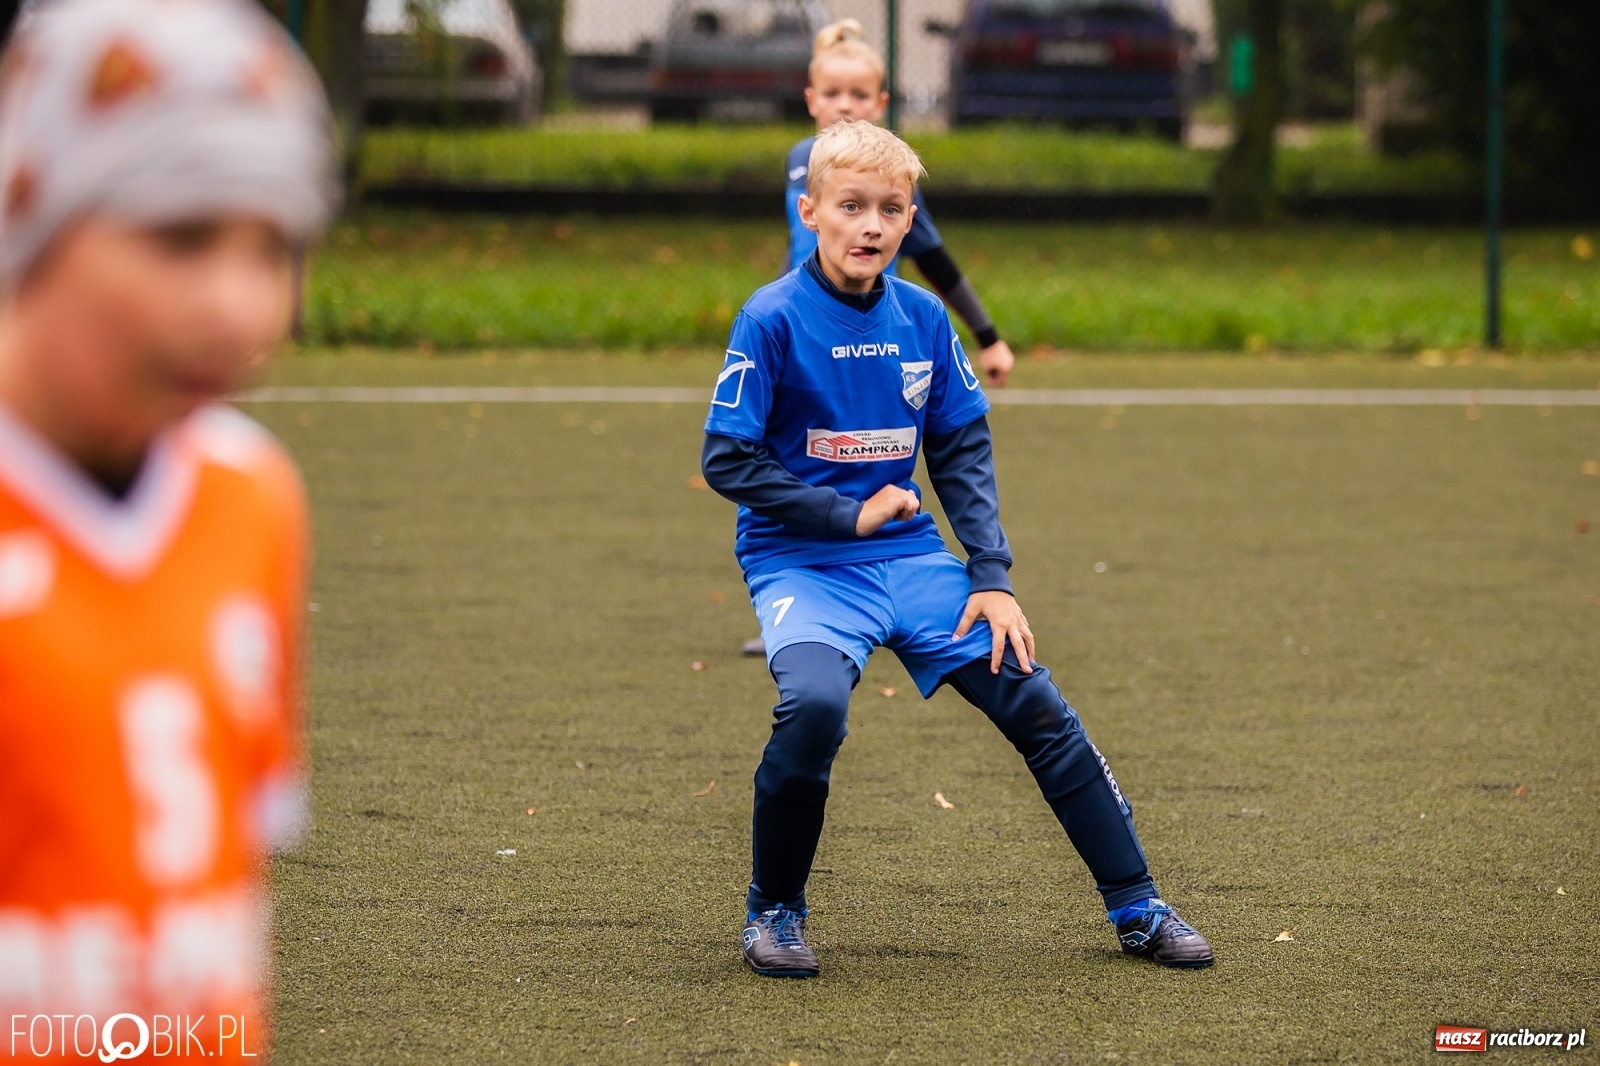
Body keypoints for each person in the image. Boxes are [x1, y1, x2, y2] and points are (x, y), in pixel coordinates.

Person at [701, 120, 1213, 979]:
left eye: (889, 209)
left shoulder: (926, 319)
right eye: (851, 206)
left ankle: (1138, 906)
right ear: (811, 212)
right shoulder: (771, 317)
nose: (870, 225)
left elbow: (962, 451)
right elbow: (726, 458)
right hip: (803, 563)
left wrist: (993, 577)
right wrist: (840, 517)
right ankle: (774, 913)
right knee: (816, 708)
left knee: (1031, 694)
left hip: (912, 560)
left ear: (910, 223)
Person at [0, 1, 334, 1060]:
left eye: (273, 247)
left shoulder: (251, 495)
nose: (239, 307)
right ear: (30, 210)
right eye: (179, 237)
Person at [742, 18, 1018, 659]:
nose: (845, 107)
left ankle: (878, 595)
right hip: (804, 345)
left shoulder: (891, 186)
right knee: (789, 466)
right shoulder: (801, 164)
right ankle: (794, 603)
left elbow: (936, 259)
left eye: (859, 97)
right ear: (811, 99)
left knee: (868, 465)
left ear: (881, 105)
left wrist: (988, 335)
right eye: (832, 94)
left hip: (878, 350)